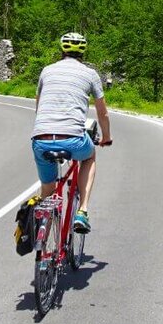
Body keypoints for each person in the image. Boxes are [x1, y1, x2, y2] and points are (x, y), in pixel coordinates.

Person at [32, 31, 112, 233]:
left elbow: (38, 107)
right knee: (90, 155)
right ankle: (82, 211)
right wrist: (106, 137)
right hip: (73, 139)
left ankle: (41, 236)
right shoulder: (90, 74)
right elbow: (102, 113)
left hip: (41, 139)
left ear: (62, 50)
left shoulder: (47, 70)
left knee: (48, 190)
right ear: (83, 53)